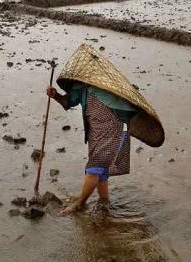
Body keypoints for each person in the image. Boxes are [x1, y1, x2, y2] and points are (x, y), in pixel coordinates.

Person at [47, 82, 139, 215]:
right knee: (101, 173)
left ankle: (79, 204)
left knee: (93, 170)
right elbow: (67, 102)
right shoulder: (81, 87)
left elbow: (129, 106)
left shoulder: (110, 86)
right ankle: (105, 204)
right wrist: (55, 95)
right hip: (95, 134)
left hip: (113, 132)